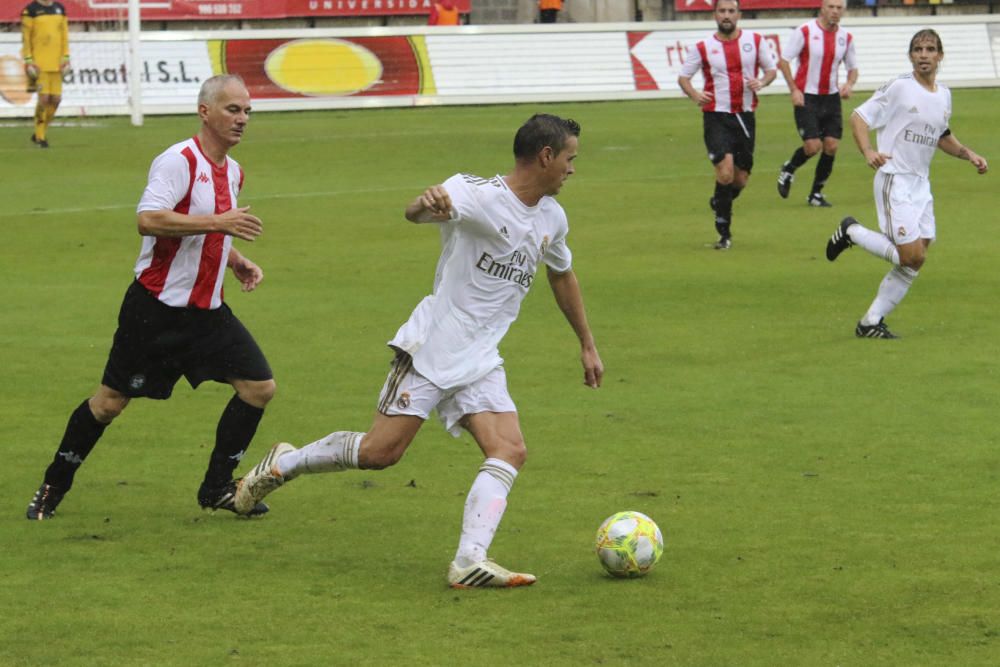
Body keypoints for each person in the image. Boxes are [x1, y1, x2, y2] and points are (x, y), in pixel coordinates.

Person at [234, 114, 603, 588]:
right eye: (570, 158)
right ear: (547, 156)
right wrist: (424, 204)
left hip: (480, 358)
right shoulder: (476, 194)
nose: (573, 169)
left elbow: (561, 274)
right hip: (433, 347)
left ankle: (469, 560)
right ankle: (284, 463)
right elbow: (416, 212)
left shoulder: (552, 217)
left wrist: (587, 344)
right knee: (379, 453)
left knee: (509, 449)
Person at [25, 74, 276, 520]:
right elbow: (149, 219)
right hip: (155, 313)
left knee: (259, 388)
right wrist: (220, 224)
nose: (243, 119)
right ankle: (52, 485)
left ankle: (217, 488)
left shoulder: (232, 171)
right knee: (108, 404)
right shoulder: (178, 161)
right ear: (205, 112)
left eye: (248, 111)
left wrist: (234, 259)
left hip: (207, 315)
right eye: (233, 110)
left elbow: (203, 225)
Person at [825, 29, 987, 338]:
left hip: (920, 186)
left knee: (915, 261)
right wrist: (868, 150)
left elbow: (941, 135)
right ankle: (851, 231)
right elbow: (859, 117)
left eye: (930, 49)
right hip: (894, 179)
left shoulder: (944, 95)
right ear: (910, 55)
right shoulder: (900, 87)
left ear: (940, 55)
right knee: (910, 256)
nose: (923, 54)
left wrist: (968, 154)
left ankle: (870, 322)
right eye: (917, 49)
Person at [677, 0, 777, 250]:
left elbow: (771, 70)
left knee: (740, 179)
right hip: (716, 116)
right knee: (725, 172)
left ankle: (719, 202)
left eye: (731, 11)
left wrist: (762, 83)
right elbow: (683, 77)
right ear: (714, 15)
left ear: (739, 15)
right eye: (722, 11)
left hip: (744, 116)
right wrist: (695, 95)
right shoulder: (703, 47)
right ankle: (724, 232)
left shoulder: (754, 41)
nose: (726, 15)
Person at [775, 0, 858, 207]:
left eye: (839, 8)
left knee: (831, 146)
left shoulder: (846, 38)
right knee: (813, 147)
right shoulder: (805, 31)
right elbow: (784, 61)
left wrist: (849, 83)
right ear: (822, 8)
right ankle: (789, 168)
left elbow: (852, 67)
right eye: (831, 7)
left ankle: (815, 194)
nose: (835, 11)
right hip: (807, 96)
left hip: (830, 98)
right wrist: (794, 89)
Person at [21, 0, 70, 149]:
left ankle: (39, 132)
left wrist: (66, 58)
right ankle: (40, 136)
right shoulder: (30, 11)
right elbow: (26, 38)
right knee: (44, 99)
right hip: (39, 64)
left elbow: (64, 37)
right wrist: (28, 60)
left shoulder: (60, 9)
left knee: (56, 100)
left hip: (57, 63)